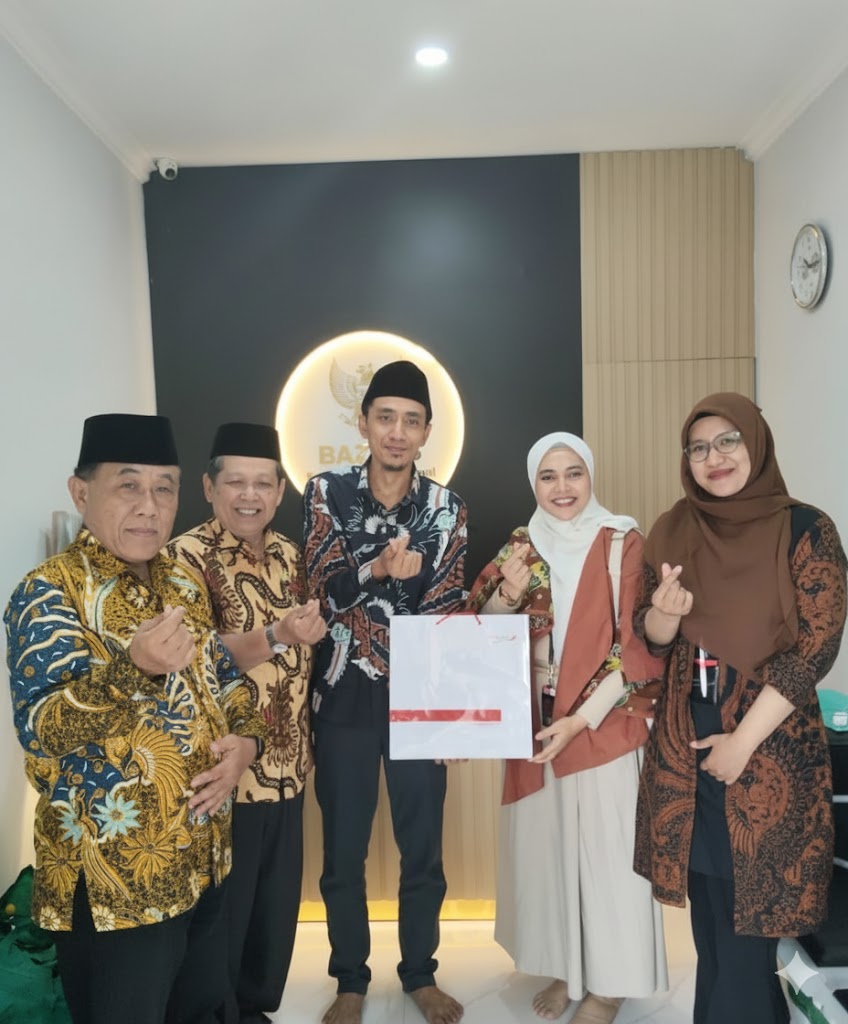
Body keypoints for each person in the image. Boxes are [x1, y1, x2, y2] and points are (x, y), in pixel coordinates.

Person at [4, 413, 271, 1024]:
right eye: (128, 486)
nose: (149, 506)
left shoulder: (183, 582)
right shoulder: (49, 592)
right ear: (81, 492)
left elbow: (224, 679)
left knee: (204, 1012)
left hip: (203, 859)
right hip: (115, 890)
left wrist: (247, 743)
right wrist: (134, 670)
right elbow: (41, 726)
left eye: (164, 488)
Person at [634, 392, 848, 1024]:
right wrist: (664, 616)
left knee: (748, 937)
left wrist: (742, 743)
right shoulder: (674, 528)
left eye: (728, 440)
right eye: (698, 447)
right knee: (712, 933)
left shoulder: (806, 529)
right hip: (685, 756)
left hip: (766, 755)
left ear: (756, 443)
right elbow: (652, 638)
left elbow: (816, 646)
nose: (714, 457)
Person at [467, 432, 667, 1023]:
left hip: (603, 722)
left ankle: (609, 987)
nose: (562, 487)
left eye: (574, 473)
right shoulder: (522, 543)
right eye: (548, 476)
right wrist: (506, 594)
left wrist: (582, 718)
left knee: (610, 860)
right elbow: (480, 625)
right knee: (550, 856)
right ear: (534, 483)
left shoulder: (621, 540)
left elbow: (636, 644)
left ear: (591, 477)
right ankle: (568, 967)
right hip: (535, 721)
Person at [303, 360, 467, 1024]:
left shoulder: (447, 508)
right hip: (343, 693)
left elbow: (447, 610)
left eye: (412, 420)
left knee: (422, 848)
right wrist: (375, 569)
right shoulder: (326, 493)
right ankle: (350, 978)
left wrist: (451, 717)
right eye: (386, 417)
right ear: (364, 423)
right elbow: (320, 592)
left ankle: (420, 973)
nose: (397, 432)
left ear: (426, 431)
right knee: (343, 850)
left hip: (418, 698)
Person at [168, 422, 327, 1024]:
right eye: (235, 482)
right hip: (227, 774)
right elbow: (198, 654)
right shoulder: (183, 558)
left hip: (289, 768)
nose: (249, 495)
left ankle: (256, 1010)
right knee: (222, 923)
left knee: (273, 916)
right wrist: (277, 634)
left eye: (263, 483)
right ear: (209, 488)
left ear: (280, 491)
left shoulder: (292, 555)